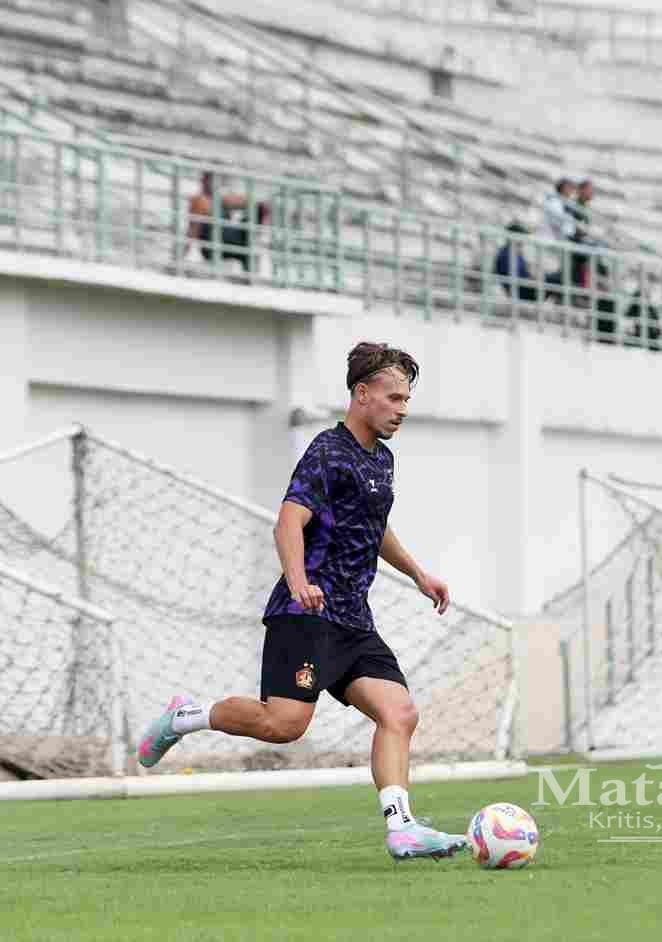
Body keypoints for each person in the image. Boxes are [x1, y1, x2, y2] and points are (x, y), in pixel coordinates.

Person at [136, 342, 467, 862]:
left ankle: (402, 828)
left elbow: (373, 527)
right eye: (394, 398)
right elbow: (289, 521)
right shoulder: (327, 451)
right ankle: (185, 716)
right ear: (362, 394)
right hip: (306, 614)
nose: (403, 409)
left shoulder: (382, 459)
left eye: (406, 399)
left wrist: (419, 574)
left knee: (399, 712)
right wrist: (298, 582)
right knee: (284, 725)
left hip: (354, 620)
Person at [184, 171, 271, 272]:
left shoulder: (221, 198)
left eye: (216, 180)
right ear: (204, 181)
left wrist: (260, 205)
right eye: (210, 180)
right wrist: (182, 254)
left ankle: (251, 268)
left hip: (227, 240)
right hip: (213, 244)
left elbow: (248, 201)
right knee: (247, 244)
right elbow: (192, 230)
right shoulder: (200, 200)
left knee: (259, 209)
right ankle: (251, 270)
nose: (213, 183)